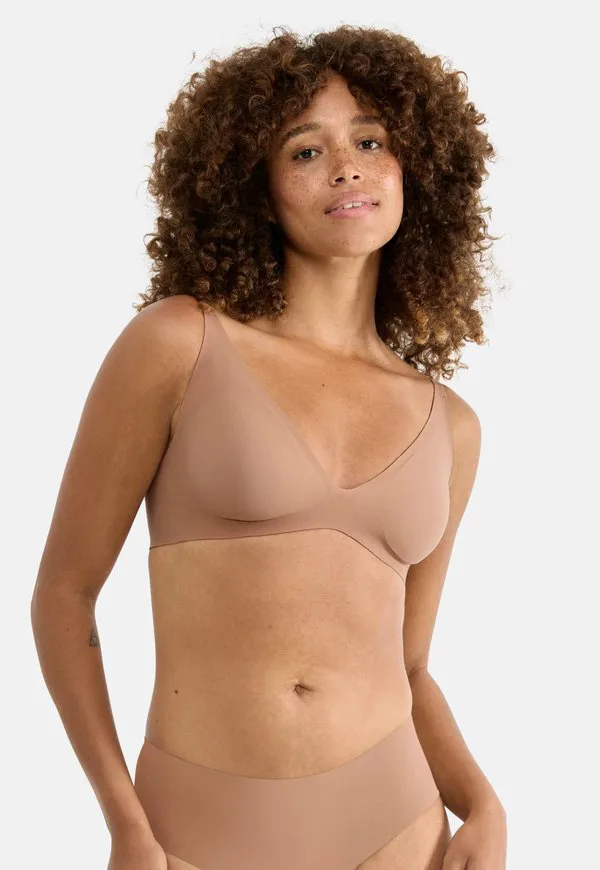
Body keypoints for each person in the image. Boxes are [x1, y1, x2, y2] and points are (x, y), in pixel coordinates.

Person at [31, 23, 507, 870]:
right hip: (197, 829)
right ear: (255, 187)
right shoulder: (180, 344)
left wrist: (481, 801)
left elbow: (409, 665)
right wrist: (125, 822)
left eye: (371, 141)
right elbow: (65, 597)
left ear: (418, 171)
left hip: (397, 825)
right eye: (306, 150)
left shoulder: (451, 425)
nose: (347, 167)